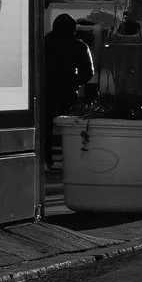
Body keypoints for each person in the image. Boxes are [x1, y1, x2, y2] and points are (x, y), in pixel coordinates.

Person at [41, 14, 95, 168]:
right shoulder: (79, 46)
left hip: (45, 91)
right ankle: (74, 160)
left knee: (45, 127)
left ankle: (46, 159)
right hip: (68, 91)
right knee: (74, 126)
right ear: (73, 30)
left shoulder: (42, 43)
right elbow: (88, 72)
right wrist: (75, 82)